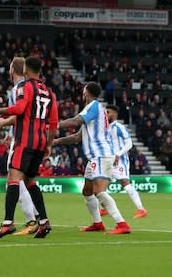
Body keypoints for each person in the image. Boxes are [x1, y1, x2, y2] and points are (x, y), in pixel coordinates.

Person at [0, 56, 58, 239]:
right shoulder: (49, 92)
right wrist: (48, 144)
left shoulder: (25, 87)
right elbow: (54, 122)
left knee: (13, 179)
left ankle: (8, 223)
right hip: (40, 141)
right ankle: (44, 222)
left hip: (25, 141)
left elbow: (19, 108)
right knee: (30, 181)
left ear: (25, 69)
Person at [54, 82, 131, 234]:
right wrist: (56, 141)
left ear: (87, 92)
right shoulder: (93, 111)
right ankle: (97, 223)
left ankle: (122, 224)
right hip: (94, 158)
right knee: (87, 191)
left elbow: (76, 121)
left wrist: (54, 125)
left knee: (100, 192)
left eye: (83, 91)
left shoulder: (94, 106)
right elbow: (77, 137)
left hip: (101, 155)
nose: (82, 94)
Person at [0, 57, 38, 236]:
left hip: (22, 140)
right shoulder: (32, 87)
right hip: (32, 137)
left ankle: (31, 220)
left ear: (14, 70)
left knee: (14, 178)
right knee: (23, 180)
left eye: (10, 67)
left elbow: (19, 114)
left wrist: (2, 122)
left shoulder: (18, 89)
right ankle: (38, 217)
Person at [102, 105, 148, 219]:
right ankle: (104, 209)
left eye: (108, 112)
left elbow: (129, 144)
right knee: (100, 183)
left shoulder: (120, 127)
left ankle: (141, 209)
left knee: (124, 182)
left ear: (114, 114)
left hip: (120, 160)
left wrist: (118, 154)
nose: (106, 114)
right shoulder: (106, 127)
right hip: (108, 159)